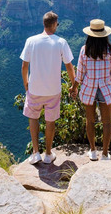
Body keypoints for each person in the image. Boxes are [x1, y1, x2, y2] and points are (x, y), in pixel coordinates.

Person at [20, 11, 75, 165]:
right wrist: (73, 85)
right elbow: (69, 67)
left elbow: (24, 66)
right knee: (50, 121)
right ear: (53, 24)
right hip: (53, 90)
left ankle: (36, 152)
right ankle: (48, 154)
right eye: (57, 24)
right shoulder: (61, 42)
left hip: (34, 89)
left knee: (33, 117)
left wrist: (26, 84)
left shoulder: (31, 41)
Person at [70, 19, 111, 161]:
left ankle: (92, 151)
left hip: (89, 88)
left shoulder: (84, 50)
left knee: (90, 120)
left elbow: (80, 73)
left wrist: (74, 88)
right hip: (105, 88)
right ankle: (105, 153)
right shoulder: (110, 50)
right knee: (107, 122)